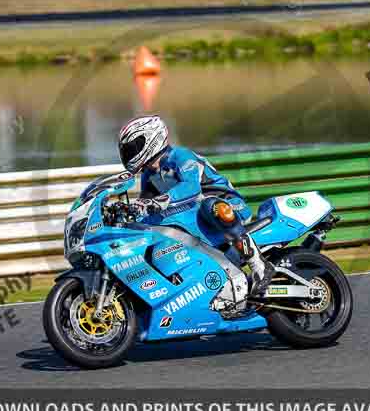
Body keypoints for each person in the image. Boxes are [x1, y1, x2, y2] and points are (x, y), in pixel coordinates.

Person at [117, 115, 274, 297]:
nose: (128, 155)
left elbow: (190, 188)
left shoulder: (180, 156)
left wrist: (158, 202)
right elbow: (146, 209)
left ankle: (259, 265)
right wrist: (127, 216)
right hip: (196, 215)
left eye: (131, 148)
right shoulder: (148, 176)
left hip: (228, 205)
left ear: (151, 138)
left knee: (210, 205)